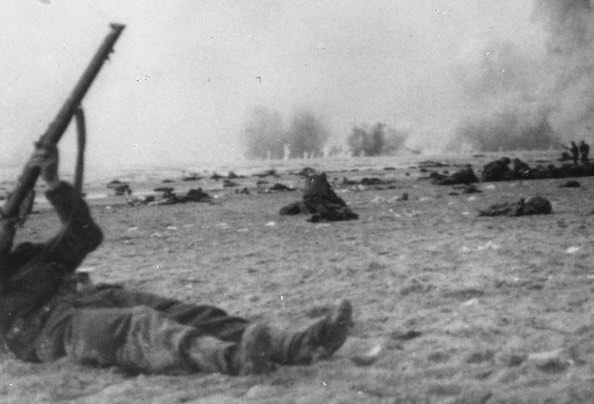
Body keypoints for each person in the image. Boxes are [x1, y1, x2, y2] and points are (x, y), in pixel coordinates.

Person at [0, 145, 353, 375]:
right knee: (140, 327)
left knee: (191, 314)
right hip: (46, 332)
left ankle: (297, 346)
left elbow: (85, 235)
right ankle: (233, 360)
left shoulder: (24, 258)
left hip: (84, 299)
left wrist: (52, 182)